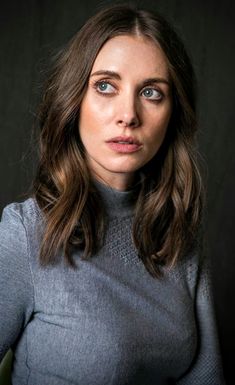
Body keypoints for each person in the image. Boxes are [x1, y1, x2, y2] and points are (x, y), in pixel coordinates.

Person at [0, 4, 225, 385]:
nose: (128, 114)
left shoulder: (179, 233)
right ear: (74, 100)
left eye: (152, 93)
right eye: (105, 86)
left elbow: (206, 376)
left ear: (173, 114)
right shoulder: (24, 234)